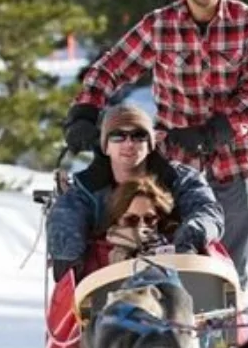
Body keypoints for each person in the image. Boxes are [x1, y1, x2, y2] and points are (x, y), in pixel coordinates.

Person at [61, 0, 248, 289]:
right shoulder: (160, 26)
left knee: (229, 271)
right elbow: (109, 68)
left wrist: (214, 132)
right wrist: (85, 110)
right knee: (174, 254)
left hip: (234, 159)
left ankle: (226, 334)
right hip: (176, 164)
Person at [45, 103, 224, 283]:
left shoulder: (180, 179)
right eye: (118, 136)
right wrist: (67, 255)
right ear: (105, 145)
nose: (129, 144)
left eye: (139, 136)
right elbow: (65, 216)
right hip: (106, 279)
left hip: (176, 270)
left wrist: (190, 237)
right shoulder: (87, 189)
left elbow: (207, 211)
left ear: (151, 143)